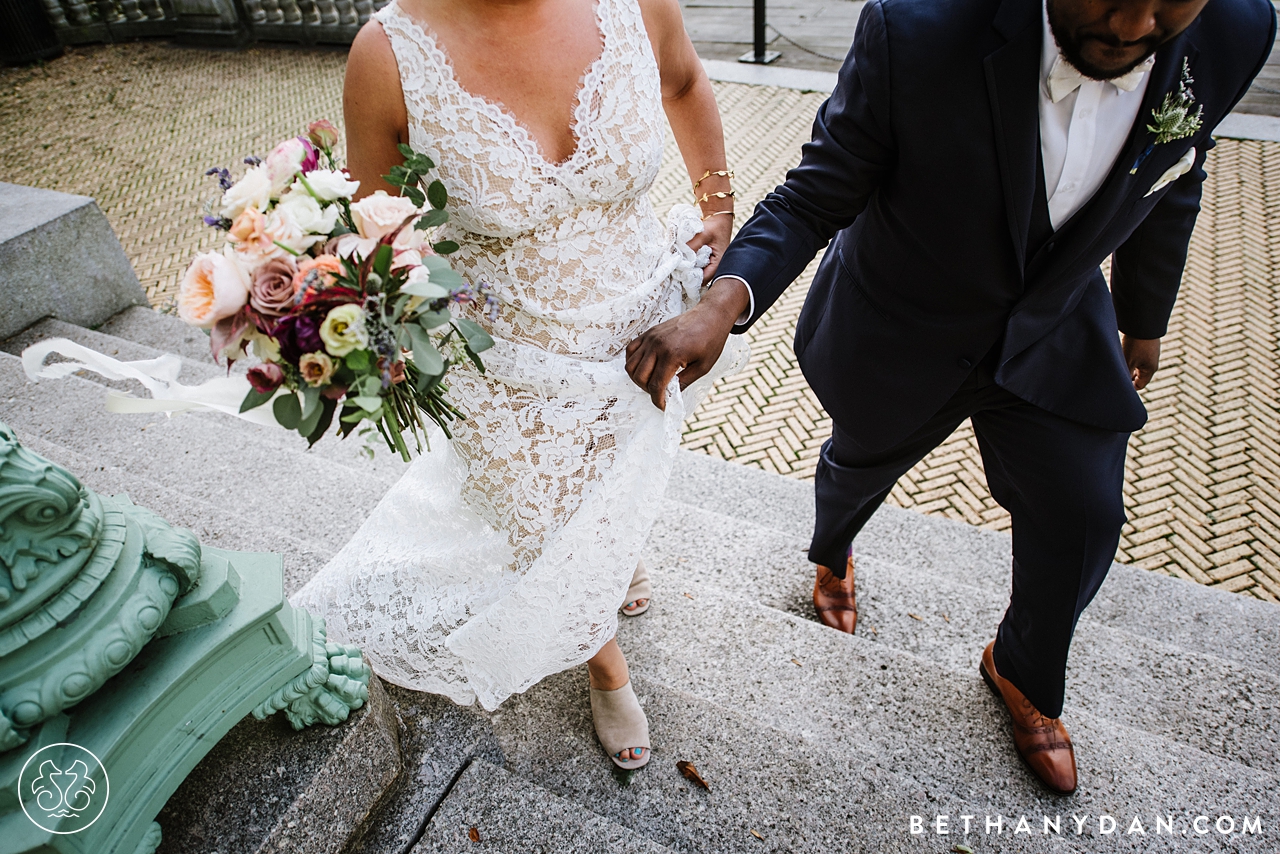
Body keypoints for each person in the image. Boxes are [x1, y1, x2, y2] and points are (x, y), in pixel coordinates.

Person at [625, 0, 1275, 793]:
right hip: (903, 326)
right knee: (859, 463)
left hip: (1055, 329)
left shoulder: (1237, 32)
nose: (1136, 25)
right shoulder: (916, 27)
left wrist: (1145, 321)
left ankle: (1024, 672)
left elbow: (1176, 174)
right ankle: (833, 555)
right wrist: (720, 305)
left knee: (1084, 513)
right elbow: (815, 194)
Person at [290, 0, 747, 770]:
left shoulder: (637, 3)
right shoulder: (388, 54)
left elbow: (685, 80)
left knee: (618, 471)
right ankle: (604, 662)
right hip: (506, 354)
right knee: (540, 515)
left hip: (646, 311)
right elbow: (374, 234)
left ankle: (616, 554)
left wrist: (720, 204)